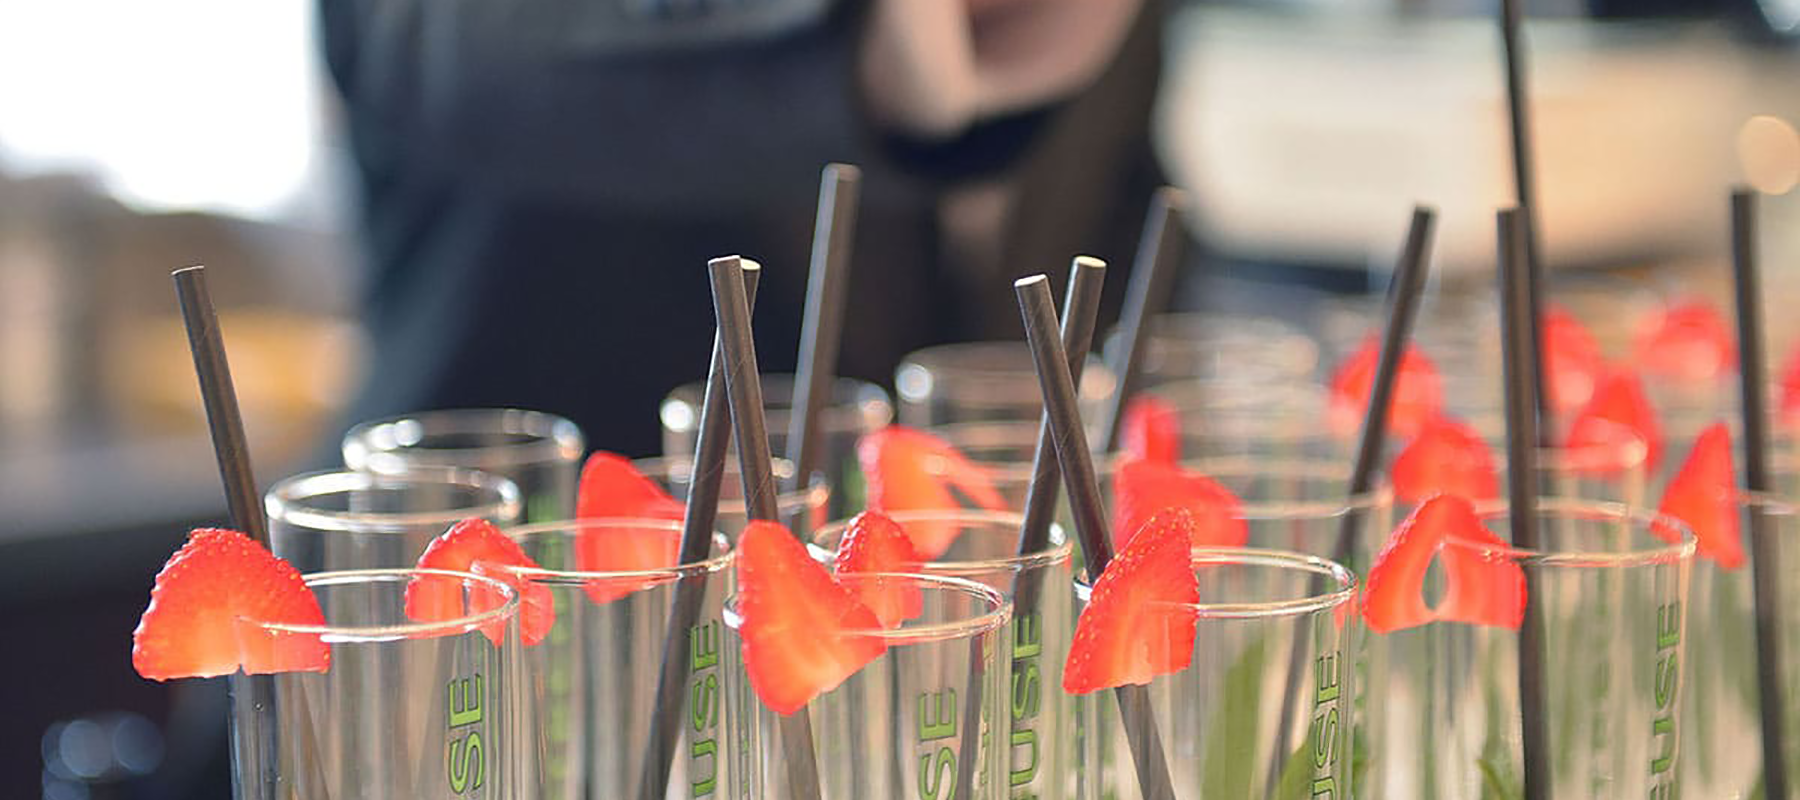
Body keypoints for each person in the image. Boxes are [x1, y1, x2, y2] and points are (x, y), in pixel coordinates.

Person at [319, 0, 1169, 456]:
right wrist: (902, 35)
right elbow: (429, 41)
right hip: (473, 673)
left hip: (926, 701)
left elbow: (1111, 196)